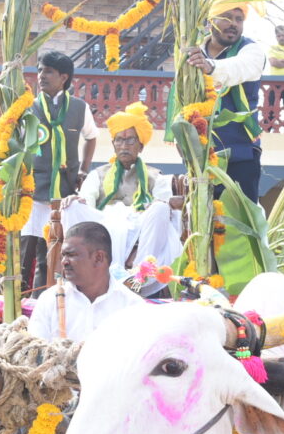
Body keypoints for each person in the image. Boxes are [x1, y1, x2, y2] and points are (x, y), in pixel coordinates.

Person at [59, 102, 183, 283]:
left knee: (161, 209)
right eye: (119, 140)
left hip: (139, 226)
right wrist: (77, 201)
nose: (124, 145)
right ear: (113, 145)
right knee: (72, 206)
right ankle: (79, 268)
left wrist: (154, 206)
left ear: (140, 146)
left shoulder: (156, 176)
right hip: (102, 226)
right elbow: (86, 202)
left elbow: (162, 203)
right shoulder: (97, 174)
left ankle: (139, 274)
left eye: (130, 140)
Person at [20, 51, 98, 292]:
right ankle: (16, 304)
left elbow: (91, 137)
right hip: (33, 193)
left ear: (63, 77)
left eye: (48, 72)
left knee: (50, 254)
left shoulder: (79, 108)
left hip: (64, 195)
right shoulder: (28, 107)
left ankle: (43, 302)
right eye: (39, 70)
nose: (41, 76)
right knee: (24, 253)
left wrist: (84, 170)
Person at [184, 0, 267, 203]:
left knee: (241, 218)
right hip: (201, 155)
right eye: (227, 17)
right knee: (201, 217)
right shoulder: (193, 52)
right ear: (211, 20)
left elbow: (240, 68)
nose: (234, 24)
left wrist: (210, 67)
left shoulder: (251, 50)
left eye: (239, 19)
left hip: (241, 153)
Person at [28, 221, 143, 342]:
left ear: (98, 258)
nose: (64, 262)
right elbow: (34, 350)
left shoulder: (132, 306)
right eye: (63, 255)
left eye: (71, 254)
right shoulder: (49, 300)